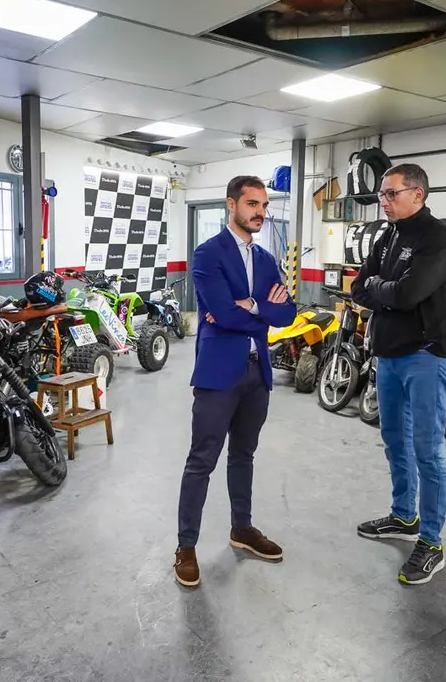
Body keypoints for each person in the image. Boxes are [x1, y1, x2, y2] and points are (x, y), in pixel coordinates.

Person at [174, 175, 297, 588]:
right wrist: (259, 310)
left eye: (264, 205)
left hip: (256, 372)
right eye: (252, 204)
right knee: (201, 460)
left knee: (244, 455)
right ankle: (186, 546)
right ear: (232, 205)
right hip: (218, 373)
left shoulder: (265, 259)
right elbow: (223, 315)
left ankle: (241, 528)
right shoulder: (208, 253)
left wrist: (251, 305)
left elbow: (288, 314)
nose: (260, 212)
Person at [350, 163, 446, 585]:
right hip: (389, 354)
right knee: (394, 439)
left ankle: (431, 543)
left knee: (427, 450)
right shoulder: (388, 235)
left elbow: (409, 293)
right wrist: (387, 291)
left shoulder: (438, 239)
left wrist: (383, 290)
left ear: (418, 194)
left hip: (425, 356)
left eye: (391, 193)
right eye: (382, 194)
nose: (384, 201)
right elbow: (359, 287)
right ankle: (404, 516)